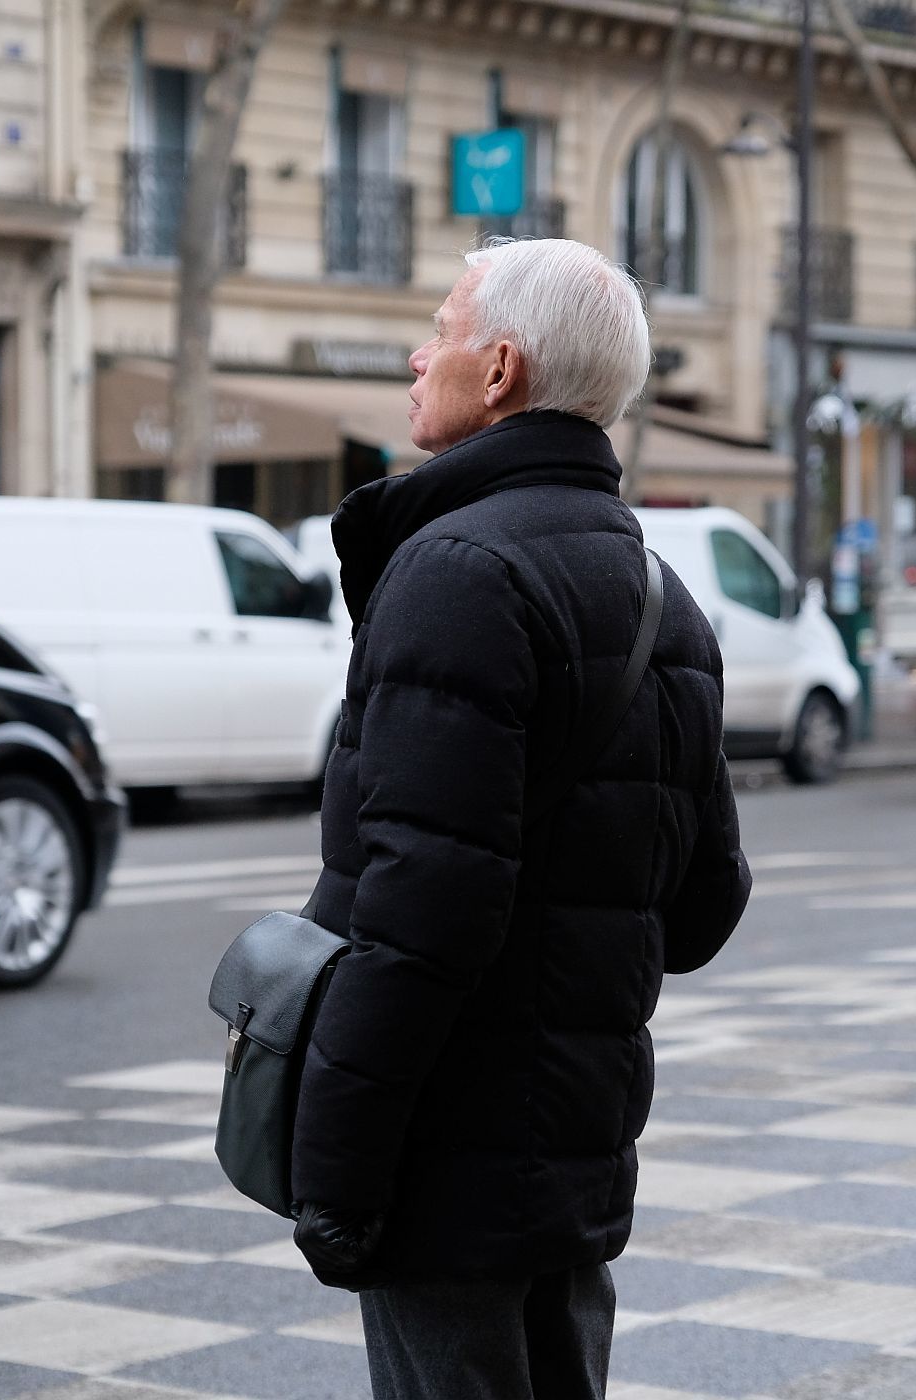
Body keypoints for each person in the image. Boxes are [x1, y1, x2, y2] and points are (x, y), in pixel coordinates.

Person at [289, 237, 752, 1399]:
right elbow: (705, 906)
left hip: (443, 1158)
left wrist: (333, 1171)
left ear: (498, 370)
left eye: (439, 329)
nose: (417, 352)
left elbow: (418, 912)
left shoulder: (453, 572)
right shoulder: (661, 592)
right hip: (580, 1146)